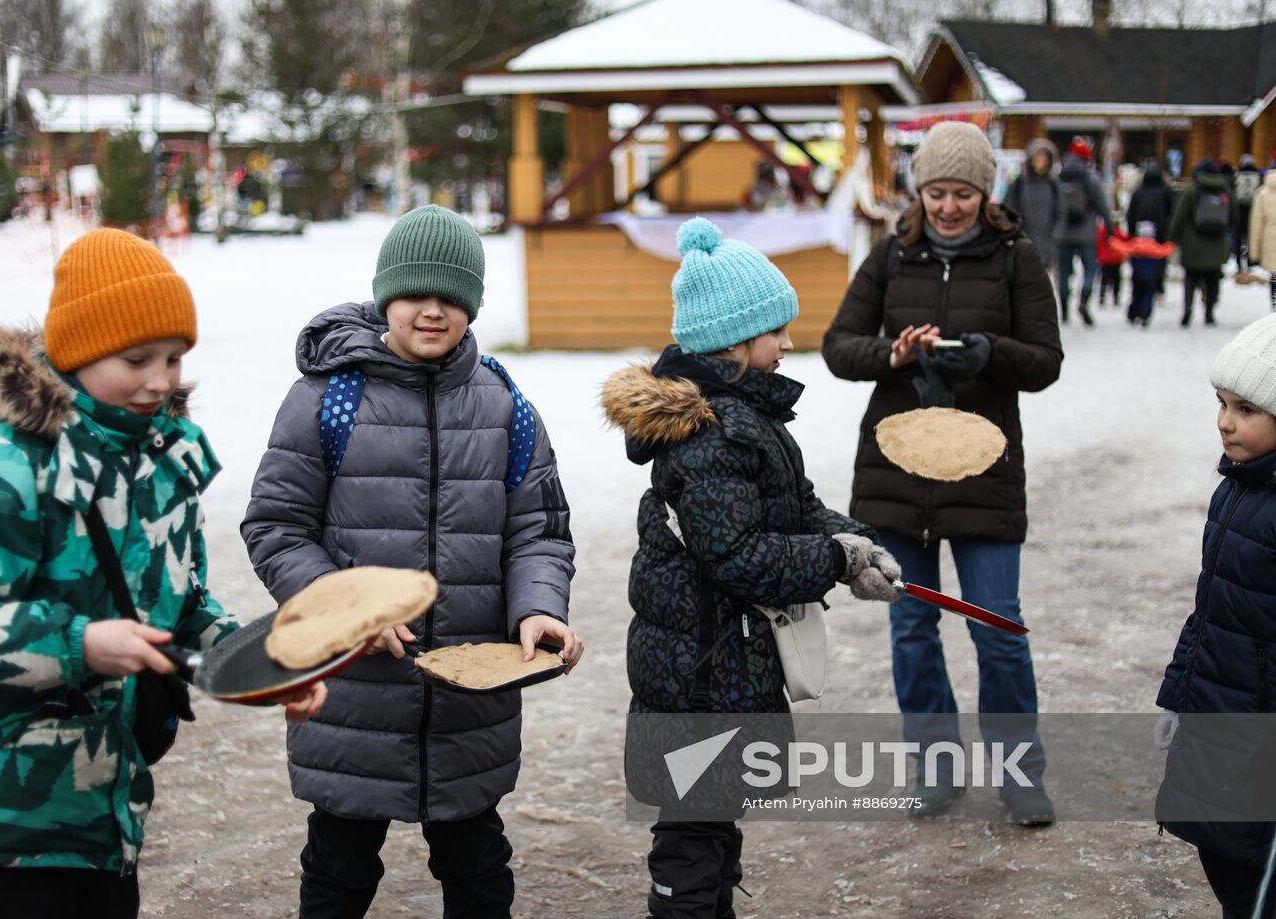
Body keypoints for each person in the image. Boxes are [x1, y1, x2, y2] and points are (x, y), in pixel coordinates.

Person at [0, 228, 325, 919]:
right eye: (137, 359)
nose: (162, 380)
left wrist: (263, 666)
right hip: (4, 816)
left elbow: (181, 608)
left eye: (175, 358)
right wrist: (79, 644)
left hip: (109, 809)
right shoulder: (7, 463)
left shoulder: (162, 459)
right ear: (77, 353)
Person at [241, 204, 581, 919]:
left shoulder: (506, 406)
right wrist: (345, 609)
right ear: (384, 295)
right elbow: (277, 526)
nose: (432, 310)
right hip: (354, 695)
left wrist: (539, 608)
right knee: (337, 866)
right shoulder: (327, 398)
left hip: (468, 704)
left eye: (451, 296)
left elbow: (539, 532)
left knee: (479, 868)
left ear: (472, 305)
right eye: (414, 293)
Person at [602, 216, 901, 919]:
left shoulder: (745, 420)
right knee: (694, 834)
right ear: (734, 344)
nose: (788, 344)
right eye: (776, 331)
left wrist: (856, 542)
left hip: (720, 665)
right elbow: (738, 555)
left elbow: (797, 507)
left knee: (713, 822)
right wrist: (834, 559)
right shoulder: (714, 436)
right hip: (701, 671)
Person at [822, 121, 1064, 826]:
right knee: (912, 628)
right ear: (919, 192)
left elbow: (1046, 361)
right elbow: (839, 346)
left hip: (983, 471)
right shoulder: (892, 255)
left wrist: (991, 353)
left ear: (985, 193)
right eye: (936, 193)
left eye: (962, 193)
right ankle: (935, 765)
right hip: (897, 472)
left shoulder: (1017, 258)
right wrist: (892, 355)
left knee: (998, 625)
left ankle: (1020, 774)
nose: (948, 207)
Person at [1155, 313, 1276, 918]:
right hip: (1218, 717)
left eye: (1246, 409)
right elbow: (1207, 608)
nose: (1225, 421)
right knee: (1224, 860)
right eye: (1222, 403)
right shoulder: (1236, 488)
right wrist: (1179, 694)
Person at [1168, 157, 1234, 327]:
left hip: (1193, 242)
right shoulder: (1224, 190)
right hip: (1217, 242)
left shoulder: (1192, 190)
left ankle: (1188, 308)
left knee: (1191, 278)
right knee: (1213, 279)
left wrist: (1172, 237)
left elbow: (1179, 215)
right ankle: (1209, 313)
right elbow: (1234, 216)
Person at [1056, 137, 1115, 326]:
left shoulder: (1059, 176)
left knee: (1063, 273)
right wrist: (1110, 228)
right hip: (1087, 233)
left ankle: (1064, 309)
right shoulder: (1091, 177)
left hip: (1063, 233)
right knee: (1090, 270)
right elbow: (1102, 205)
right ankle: (1083, 300)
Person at [1003, 138, 1063, 281]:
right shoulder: (1020, 183)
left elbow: (1061, 212)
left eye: (1045, 158)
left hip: (1046, 242)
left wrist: (1055, 237)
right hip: (1023, 241)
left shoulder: (1053, 185)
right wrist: (1015, 233)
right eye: (1038, 157)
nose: (1042, 162)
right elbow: (1009, 209)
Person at [1125, 161, 1175, 296]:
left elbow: (1131, 214)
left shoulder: (1138, 192)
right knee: (1159, 257)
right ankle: (1158, 283)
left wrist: (1131, 233)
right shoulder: (1166, 191)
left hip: (1140, 231)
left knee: (1140, 256)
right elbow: (1172, 210)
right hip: (1160, 230)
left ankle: (1140, 280)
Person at [1247, 167, 1276, 313]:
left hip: (1270, 241)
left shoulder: (1263, 192)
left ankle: (1274, 309)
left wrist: (1254, 253)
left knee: (1274, 277)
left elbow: (1256, 224)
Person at [1232, 154, 1264, 274]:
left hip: (1239, 211)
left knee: (1238, 238)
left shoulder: (1237, 175)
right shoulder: (1258, 175)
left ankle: (1238, 263)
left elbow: (1233, 193)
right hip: (1253, 210)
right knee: (1251, 237)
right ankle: (1250, 262)